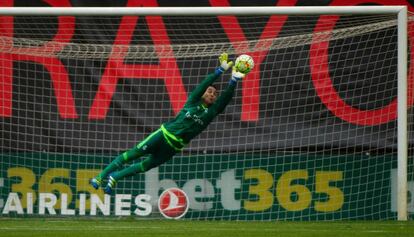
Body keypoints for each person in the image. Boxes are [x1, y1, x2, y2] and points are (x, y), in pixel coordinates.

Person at [90, 53, 248, 194]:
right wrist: (219, 71)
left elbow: (226, 99)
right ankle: (100, 177)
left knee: (147, 166)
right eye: (209, 91)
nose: (212, 94)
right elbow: (202, 85)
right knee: (133, 154)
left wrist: (233, 80)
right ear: (203, 93)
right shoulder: (193, 101)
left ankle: (116, 177)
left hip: (174, 147)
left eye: (215, 94)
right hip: (163, 134)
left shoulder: (212, 112)